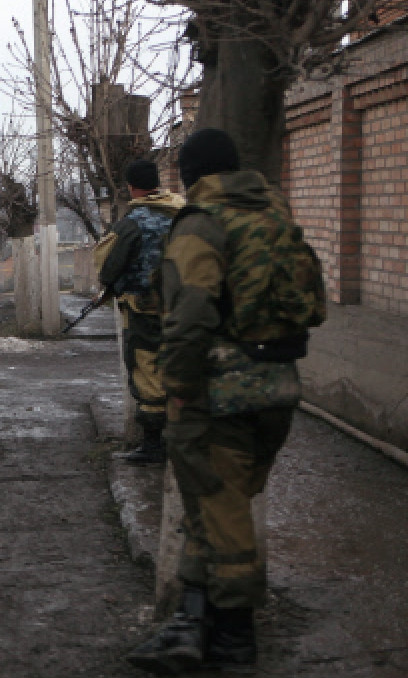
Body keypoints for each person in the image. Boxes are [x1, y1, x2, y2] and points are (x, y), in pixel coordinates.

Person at [126, 128, 325, 674]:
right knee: (212, 508)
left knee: (224, 513)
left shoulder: (202, 224)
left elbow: (189, 317)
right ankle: (191, 625)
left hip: (219, 394)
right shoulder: (275, 216)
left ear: (191, 176)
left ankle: (234, 643)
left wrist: (178, 388)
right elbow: (316, 304)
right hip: (278, 386)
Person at [96, 159, 184, 465]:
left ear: (132, 188)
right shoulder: (185, 214)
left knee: (148, 371)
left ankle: (153, 445)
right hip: (189, 309)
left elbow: (106, 268)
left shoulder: (132, 222)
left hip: (145, 311)